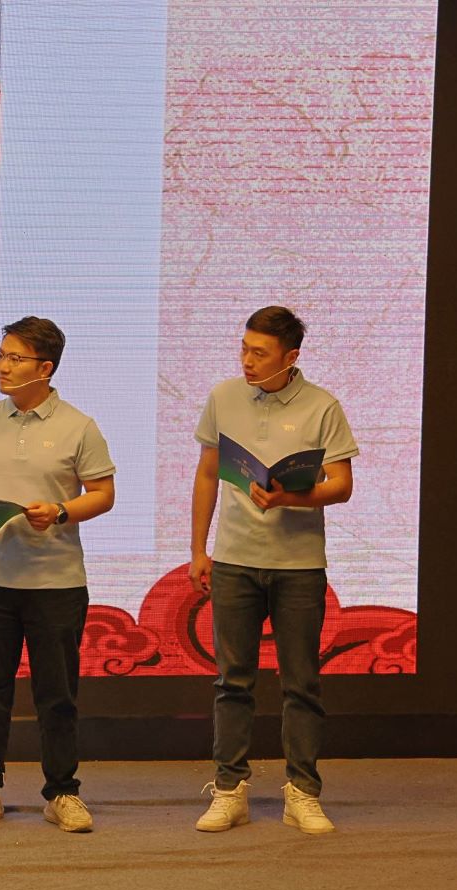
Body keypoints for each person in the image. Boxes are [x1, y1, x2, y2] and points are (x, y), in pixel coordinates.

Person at [189, 305, 360, 835]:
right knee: (232, 681)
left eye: (259, 353)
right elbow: (207, 474)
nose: (246, 360)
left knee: (301, 683)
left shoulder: (322, 406)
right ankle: (229, 791)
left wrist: (290, 496)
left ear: (290, 358)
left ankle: (303, 793)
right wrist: (198, 550)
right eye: (244, 348)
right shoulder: (223, 397)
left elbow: (341, 485)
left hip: (298, 566)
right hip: (234, 561)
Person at [0, 317, 115, 833]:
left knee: (56, 695)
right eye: (1, 355)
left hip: (56, 582)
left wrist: (60, 511)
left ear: (45, 368)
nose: (3, 365)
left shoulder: (79, 426)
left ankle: (62, 791)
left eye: (15, 358)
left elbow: (103, 494)